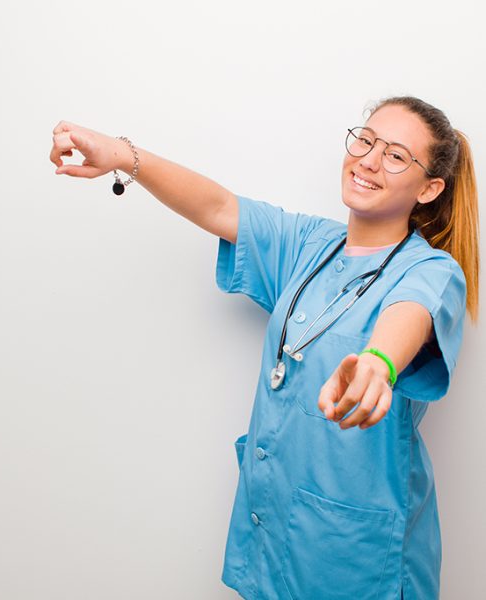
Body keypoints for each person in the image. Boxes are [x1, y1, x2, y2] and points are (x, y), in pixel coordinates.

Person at [50, 95, 479, 600]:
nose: (368, 160)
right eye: (366, 140)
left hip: (357, 555)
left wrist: (378, 362)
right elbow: (218, 206)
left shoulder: (431, 271)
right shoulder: (309, 245)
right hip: (275, 530)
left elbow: (409, 312)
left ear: (429, 188)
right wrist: (125, 156)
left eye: (395, 155)